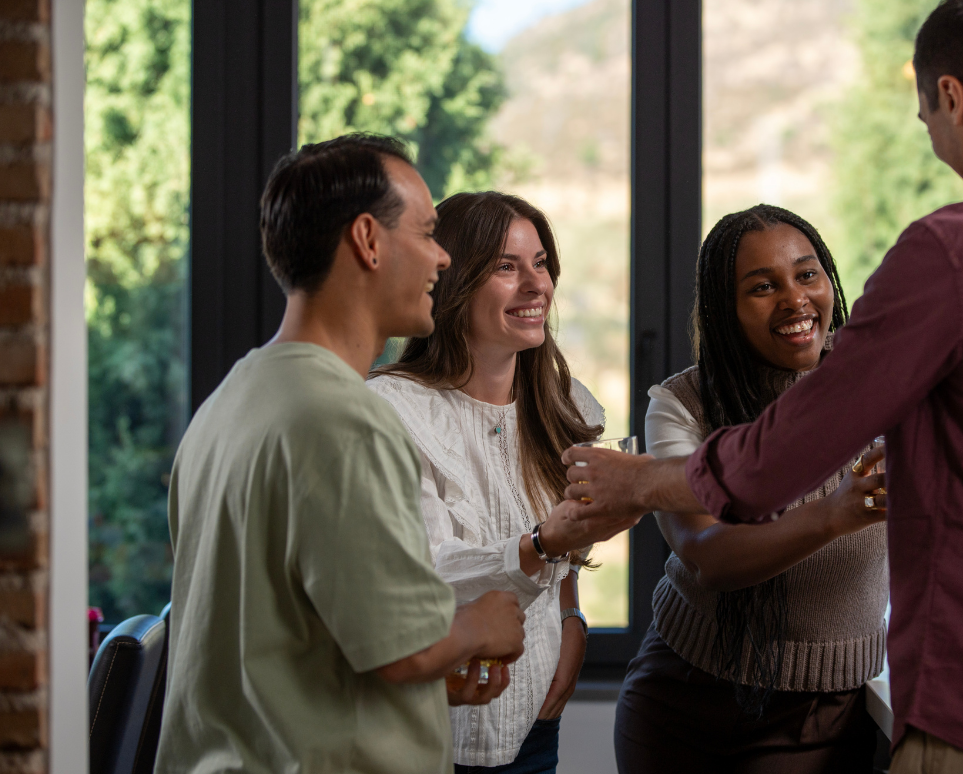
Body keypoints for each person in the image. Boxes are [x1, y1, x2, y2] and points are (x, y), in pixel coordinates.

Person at [561, 2, 963, 774]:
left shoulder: (959, 249)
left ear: (951, 97)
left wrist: (645, 479)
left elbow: (783, 455)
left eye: (923, 116)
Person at [155, 135, 528, 774]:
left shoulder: (228, 404)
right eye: (428, 231)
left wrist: (428, 686)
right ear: (368, 239)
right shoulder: (344, 421)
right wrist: (484, 624)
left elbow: (288, 639)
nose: (442, 258)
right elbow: (404, 649)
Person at [367, 191, 641, 773]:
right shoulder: (391, 409)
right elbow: (428, 574)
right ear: (454, 281)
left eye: (540, 263)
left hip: (536, 721)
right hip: (430, 731)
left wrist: (574, 619)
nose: (535, 284)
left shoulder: (563, 406)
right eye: (506, 266)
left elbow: (567, 565)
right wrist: (543, 543)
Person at [613, 204, 889, 773]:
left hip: (820, 720)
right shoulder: (680, 405)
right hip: (680, 702)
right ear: (725, 310)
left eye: (807, 274)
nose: (795, 300)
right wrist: (832, 515)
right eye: (763, 286)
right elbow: (705, 555)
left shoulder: (878, 382)